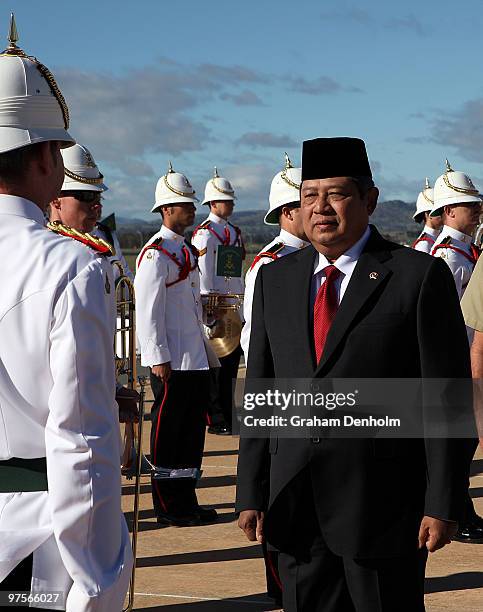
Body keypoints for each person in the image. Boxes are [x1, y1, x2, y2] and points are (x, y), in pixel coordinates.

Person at [236, 137, 473, 612]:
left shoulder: (417, 277)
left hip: (384, 507)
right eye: (309, 196)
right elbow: (263, 388)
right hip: (296, 505)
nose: (320, 208)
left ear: (369, 199)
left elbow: (447, 397)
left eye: (336, 194)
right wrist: (250, 488)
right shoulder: (275, 280)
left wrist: (444, 500)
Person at [0, 15, 132, 611]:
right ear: (48, 159)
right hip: (33, 540)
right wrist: (99, 581)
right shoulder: (68, 267)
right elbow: (82, 445)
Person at [134, 163, 219, 527]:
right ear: (167, 209)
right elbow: (148, 311)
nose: (192, 209)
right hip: (171, 362)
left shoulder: (184, 251)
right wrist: (156, 358)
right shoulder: (155, 255)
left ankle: (187, 499)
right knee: (168, 437)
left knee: (190, 436)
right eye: (185, 204)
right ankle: (168, 506)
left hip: (194, 358)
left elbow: (188, 304)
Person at [241, 153, 308, 607]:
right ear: (289, 211)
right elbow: (257, 342)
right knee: (278, 497)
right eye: (308, 201)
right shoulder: (270, 265)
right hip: (284, 397)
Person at [192, 168, 245, 435]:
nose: (232, 204)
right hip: (214, 305)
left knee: (232, 363)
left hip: (232, 304)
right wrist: (207, 307)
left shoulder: (233, 232)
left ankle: (229, 410)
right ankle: (215, 417)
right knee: (216, 366)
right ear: (213, 203)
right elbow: (203, 269)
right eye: (227, 200)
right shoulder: (205, 234)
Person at [50, 143, 133, 281]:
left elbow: (128, 287)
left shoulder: (106, 239)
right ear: (55, 198)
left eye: (98, 196)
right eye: (87, 195)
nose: (97, 206)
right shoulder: (38, 246)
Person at [430, 160, 482, 299]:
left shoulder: (464, 246)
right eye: (470, 204)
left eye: (477, 203)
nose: (478, 208)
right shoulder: (448, 256)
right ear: (449, 211)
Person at [411, 178, 442, 253]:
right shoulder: (424, 245)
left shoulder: (438, 237)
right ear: (427, 214)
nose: (443, 214)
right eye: (438, 211)